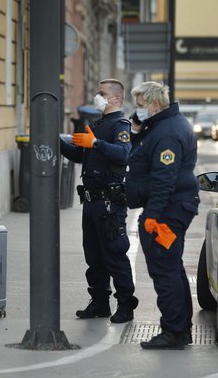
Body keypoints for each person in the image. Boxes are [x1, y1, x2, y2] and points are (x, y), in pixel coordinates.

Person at [125, 81, 200, 349]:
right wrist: (135, 131)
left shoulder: (167, 133)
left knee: (164, 270)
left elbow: (163, 180)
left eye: (141, 105)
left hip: (168, 210)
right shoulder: (162, 126)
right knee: (172, 268)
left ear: (154, 105)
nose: (137, 110)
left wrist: (152, 217)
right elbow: (142, 157)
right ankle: (180, 329)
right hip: (172, 206)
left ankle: (173, 332)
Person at [60, 78, 138, 323]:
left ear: (116, 98)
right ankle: (100, 302)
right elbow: (81, 155)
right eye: (98, 92)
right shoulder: (97, 124)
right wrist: (58, 142)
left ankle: (125, 304)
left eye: (102, 93)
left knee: (114, 253)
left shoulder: (120, 125)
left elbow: (123, 154)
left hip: (110, 202)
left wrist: (95, 143)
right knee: (93, 255)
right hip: (91, 200)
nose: (98, 96)